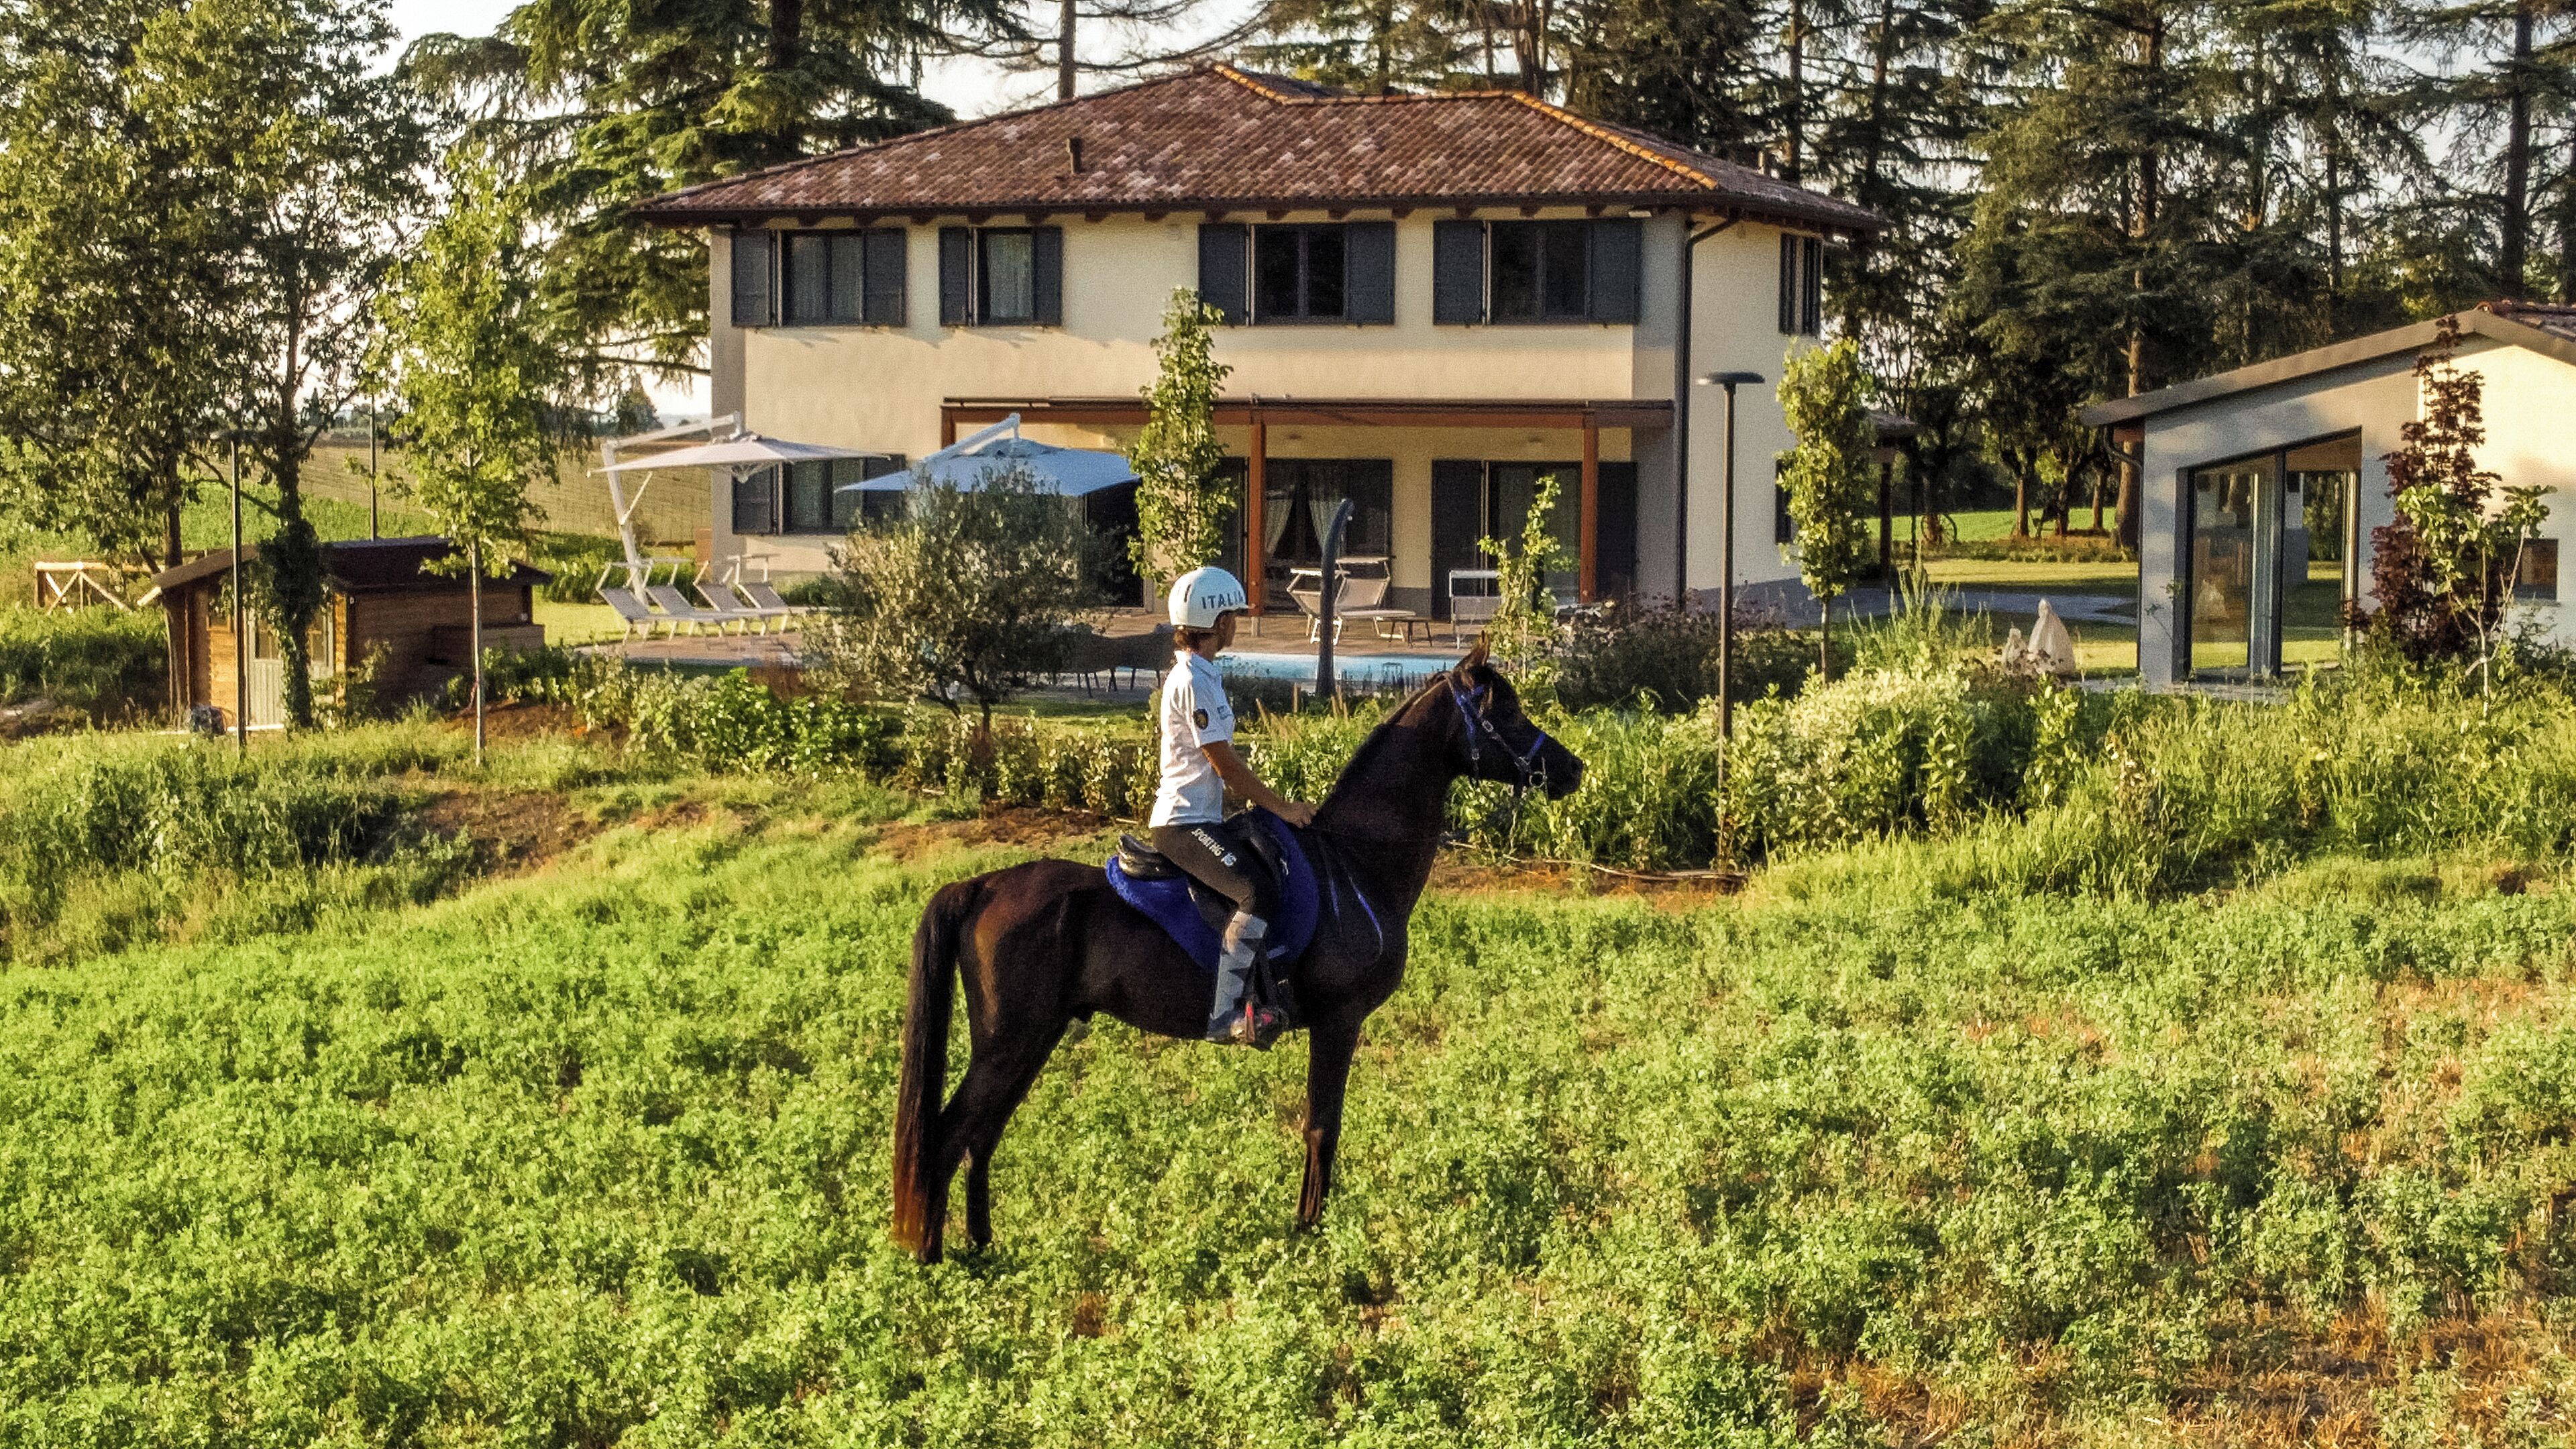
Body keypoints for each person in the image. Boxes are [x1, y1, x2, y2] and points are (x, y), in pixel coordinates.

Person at [1150, 566, 1319, 1049]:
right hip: (1182, 824)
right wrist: (1282, 807)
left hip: (1200, 818)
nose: (1237, 623)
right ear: (1217, 621)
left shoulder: (1200, 674)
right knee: (1253, 891)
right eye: (1233, 615)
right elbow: (1227, 767)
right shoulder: (1193, 681)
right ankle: (1225, 1016)